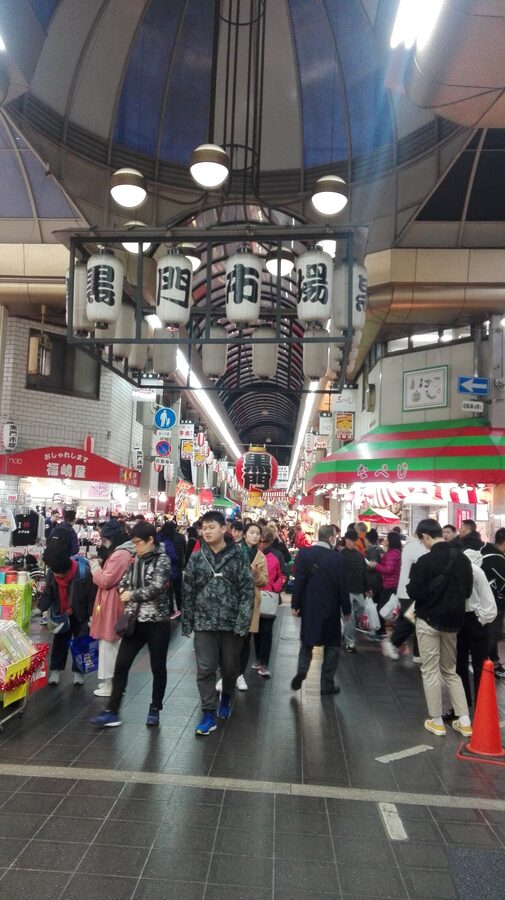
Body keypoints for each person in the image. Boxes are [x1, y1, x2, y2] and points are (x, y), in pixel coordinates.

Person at [91, 522, 172, 728]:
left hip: (157, 622)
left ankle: (155, 708)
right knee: (121, 665)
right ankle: (112, 710)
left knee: (158, 667)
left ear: (150, 540)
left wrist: (131, 594)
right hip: (134, 622)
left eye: (138, 543)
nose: (135, 547)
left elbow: (157, 587)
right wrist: (124, 592)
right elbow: (123, 583)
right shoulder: (135, 560)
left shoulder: (162, 560)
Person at [182, 511, 254, 736]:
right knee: (205, 669)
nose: (207, 531)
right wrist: (187, 621)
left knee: (230, 668)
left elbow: (247, 590)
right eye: (204, 527)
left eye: (212, 527)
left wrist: (243, 622)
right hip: (204, 622)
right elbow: (188, 590)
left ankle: (227, 696)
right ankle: (208, 713)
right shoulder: (197, 557)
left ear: (224, 529)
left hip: (231, 623)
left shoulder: (239, 555)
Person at [407, 518, 473, 738]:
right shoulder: (462, 560)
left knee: (430, 671)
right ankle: (464, 721)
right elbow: (468, 591)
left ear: (426, 536)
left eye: (422, 539)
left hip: (428, 621)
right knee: (450, 671)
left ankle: (436, 722)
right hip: (453, 623)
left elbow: (413, 592)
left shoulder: (425, 562)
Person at [291, 524, 350, 695]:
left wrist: (296, 604)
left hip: (310, 606)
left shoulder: (304, 554)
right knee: (332, 646)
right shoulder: (337, 558)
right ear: (331, 538)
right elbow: (342, 586)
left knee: (307, 642)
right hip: (331, 608)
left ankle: (302, 670)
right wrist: (346, 609)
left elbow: (299, 581)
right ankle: (327, 684)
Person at [442, 548, 497, 720]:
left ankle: (462, 705)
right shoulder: (478, 571)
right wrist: (480, 620)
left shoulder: (455, 569)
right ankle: (483, 705)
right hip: (476, 620)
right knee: (481, 664)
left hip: (460, 620)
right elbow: (489, 604)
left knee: (459, 665)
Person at [216, 522, 268, 693]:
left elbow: (264, 581)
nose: (255, 536)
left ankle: (239, 675)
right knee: (229, 640)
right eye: (252, 532)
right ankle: (225, 676)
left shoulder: (261, 556)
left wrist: (255, 574)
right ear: (244, 534)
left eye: (257, 533)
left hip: (251, 602)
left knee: (245, 641)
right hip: (232, 600)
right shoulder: (232, 550)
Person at [89, 520, 135, 697]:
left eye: (104, 539)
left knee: (109, 643)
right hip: (116, 601)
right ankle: (112, 683)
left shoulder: (120, 554)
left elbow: (106, 580)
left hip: (112, 602)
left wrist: (94, 567)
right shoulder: (125, 551)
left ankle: (111, 684)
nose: (103, 543)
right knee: (111, 643)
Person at [40, 544, 95, 686]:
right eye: (55, 573)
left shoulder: (84, 574)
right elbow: (48, 593)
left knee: (81, 642)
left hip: (81, 613)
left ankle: (79, 672)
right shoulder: (52, 574)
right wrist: (40, 608)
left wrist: (91, 615)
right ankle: (55, 670)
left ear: (68, 569)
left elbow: (92, 597)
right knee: (60, 641)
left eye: (60, 574)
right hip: (62, 613)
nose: (57, 575)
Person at [382, 532, 428, 660]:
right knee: (411, 620)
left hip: (406, 590)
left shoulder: (410, 546)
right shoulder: (416, 547)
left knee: (411, 620)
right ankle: (393, 642)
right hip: (409, 591)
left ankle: (416, 653)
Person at [253, 527, 287, 677]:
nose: (261, 544)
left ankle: (264, 662)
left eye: (264, 542)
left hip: (269, 597)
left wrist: (274, 587)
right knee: (255, 630)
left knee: (266, 630)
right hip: (255, 596)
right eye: (260, 542)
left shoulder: (276, 555)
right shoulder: (253, 554)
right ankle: (258, 658)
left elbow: (283, 574)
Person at [480, 528, 505, 679]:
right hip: (494, 604)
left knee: (491, 634)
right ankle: (481, 663)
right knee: (492, 634)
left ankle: (494, 662)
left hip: (484, 602)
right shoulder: (497, 559)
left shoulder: (484, 552)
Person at [368, 530, 402, 635]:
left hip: (390, 585)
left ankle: (381, 631)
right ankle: (383, 631)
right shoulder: (394, 552)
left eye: (387, 538)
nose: (385, 540)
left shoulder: (392, 554)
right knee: (385, 608)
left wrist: (376, 565)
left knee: (382, 608)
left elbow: (388, 570)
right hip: (391, 584)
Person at [340, 529, 368, 653]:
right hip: (346, 591)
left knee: (360, 610)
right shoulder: (341, 555)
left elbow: (364, 572)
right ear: (346, 540)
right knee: (350, 616)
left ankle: (345, 631)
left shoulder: (359, 555)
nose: (352, 543)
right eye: (350, 540)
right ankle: (350, 642)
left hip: (358, 589)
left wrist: (367, 588)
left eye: (354, 540)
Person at [159, 520, 185, 619]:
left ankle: (169, 610)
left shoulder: (160, 537)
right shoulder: (180, 537)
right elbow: (184, 551)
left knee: (168, 591)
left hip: (164, 568)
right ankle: (180, 608)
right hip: (177, 566)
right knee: (178, 590)